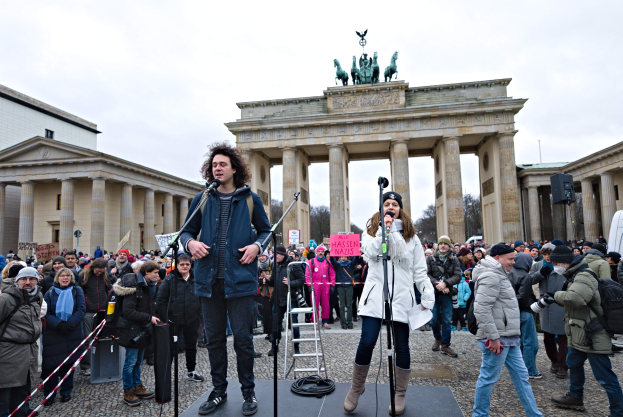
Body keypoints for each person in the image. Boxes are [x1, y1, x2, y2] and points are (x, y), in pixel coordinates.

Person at [180, 141, 271, 416]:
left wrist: (258, 246)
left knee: (243, 339)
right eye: (214, 165)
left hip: (240, 281)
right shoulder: (203, 198)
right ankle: (219, 391)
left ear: (234, 168)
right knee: (215, 340)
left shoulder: (249, 199)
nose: (217, 168)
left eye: (222, 164)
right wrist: (190, 245)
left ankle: (248, 391)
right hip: (208, 282)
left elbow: (265, 231)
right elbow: (184, 233)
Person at [344, 191, 434, 415]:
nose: (391, 207)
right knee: (367, 341)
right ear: (381, 208)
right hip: (375, 296)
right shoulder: (371, 232)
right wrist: (384, 231)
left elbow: (419, 271)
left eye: (395, 204)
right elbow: (371, 254)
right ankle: (357, 387)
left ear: (400, 209)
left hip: (402, 297)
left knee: (402, 346)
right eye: (387, 204)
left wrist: (427, 295)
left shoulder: (411, 237)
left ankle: (400, 393)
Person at [472, 243, 543, 417]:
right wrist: (493, 337)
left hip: (509, 337)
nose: (513, 262)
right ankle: (479, 415)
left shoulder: (499, 273)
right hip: (499, 338)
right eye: (510, 259)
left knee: (522, 378)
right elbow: (481, 309)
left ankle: (534, 414)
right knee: (488, 378)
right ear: (497, 258)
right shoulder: (492, 276)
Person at [551, 246, 623, 414]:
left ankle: (618, 411)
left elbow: (575, 298)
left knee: (605, 377)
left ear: (565, 262)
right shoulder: (575, 274)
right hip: (582, 332)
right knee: (573, 363)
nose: (555, 266)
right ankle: (575, 396)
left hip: (593, 333)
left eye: (556, 262)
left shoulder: (583, 275)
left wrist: (555, 295)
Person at [0, 267, 44, 417]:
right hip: (7, 354)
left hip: (29, 352)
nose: (27, 282)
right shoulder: (6, 299)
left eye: (32, 279)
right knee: (4, 396)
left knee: (22, 393)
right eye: (23, 279)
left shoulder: (37, 296)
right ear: (16, 280)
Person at [115, 261, 159, 407]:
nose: (158, 276)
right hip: (131, 331)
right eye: (155, 273)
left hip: (142, 330)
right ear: (146, 272)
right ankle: (128, 391)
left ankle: (137, 386)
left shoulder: (147, 286)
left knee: (138, 362)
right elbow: (128, 312)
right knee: (130, 362)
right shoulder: (134, 287)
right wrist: (148, 318)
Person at [156, 253, 204, 382]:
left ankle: (191, 371)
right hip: (173, 320)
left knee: (191, 346)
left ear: (190, 265)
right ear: (176, 265)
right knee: (170, 348)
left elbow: (202, 297)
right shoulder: (169, 280)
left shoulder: (196, 278)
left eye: (187, 264)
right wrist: (166, 319)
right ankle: (167, 375)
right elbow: (161, 301)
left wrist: (200, 315)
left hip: (192, 319)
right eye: (182, 264)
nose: (185, 266)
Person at [42, 267, 86, 405]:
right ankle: (49, 394)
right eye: (62, 276)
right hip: (54, 334)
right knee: (50, 365)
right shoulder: (50, 292)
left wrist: (70, 324)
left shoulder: (77, 290)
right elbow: (45, 312)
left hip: (72, 333)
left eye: (68, 276)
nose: (65, 278)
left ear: (72, 278)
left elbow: (81, 309)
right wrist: (59, 324)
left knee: (68, 364)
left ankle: (66, 391)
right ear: (57, 278)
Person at [427, 235, 462, 357]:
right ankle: (438, 338)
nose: (443, 245)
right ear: (438, 245)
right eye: (441, 243)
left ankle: (445, 345)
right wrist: (437, 284)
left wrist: (446, 284)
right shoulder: (430, 258)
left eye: (445, 244)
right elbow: (427, 274)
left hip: (447, 293)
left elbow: (458, 276)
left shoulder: (454, 259)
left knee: (447, 320)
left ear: (449, 246)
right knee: (434, 319)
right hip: (434, 292)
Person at [266, 245, 305, 356]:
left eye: (277, 254)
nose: (275, 256)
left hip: (291, 298)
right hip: (277, 299)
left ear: (282, 255)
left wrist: (290, 283)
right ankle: (274, 346)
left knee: (294, 324)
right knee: (275, 324)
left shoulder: (293, 264)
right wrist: (268, 280)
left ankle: (296, 346)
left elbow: (302, 280)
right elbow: (273, 281)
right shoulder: (275, 264)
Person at [76, 258, 112, 377]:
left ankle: (98, 363)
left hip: (102, 311)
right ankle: (86, 366)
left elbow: (109, 290)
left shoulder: (105, 276)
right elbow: (79, 292)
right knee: (87, 339)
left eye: (101, 271)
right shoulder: (83, 276)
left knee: (99, 338)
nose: (99, 273)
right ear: (93, 268)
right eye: (97, 271)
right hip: (88, 311)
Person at [508, 253, 541, 379]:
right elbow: (522, 298)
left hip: (513, 313)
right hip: (525, 311)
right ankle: (530, 370)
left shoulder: (510, 273)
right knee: (530, 343)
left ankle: (521, 368)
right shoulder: (525, 276)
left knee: (521, 342)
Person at [305, 245, 335, 329]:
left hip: (325, 287)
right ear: (316, 252)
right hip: (315, 287)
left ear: (324, 253)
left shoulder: (328, 262)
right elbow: (307, 274)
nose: (321, 253)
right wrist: (309, 285)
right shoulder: (311, 262)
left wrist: (332, 285)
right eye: (319, 251)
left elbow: (332, 274)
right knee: (315, 304)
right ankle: (315, 321)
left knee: (326, 304)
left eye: (322, 251)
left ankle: (324, 321)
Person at [333, 255, 356, 329]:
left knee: (349, 305)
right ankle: (343, 323)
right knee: (342, 305)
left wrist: (357, 252)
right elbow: (332, 260)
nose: (343, 258)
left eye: (345, 257)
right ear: (340, 257)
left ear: (347, 258)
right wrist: (331, 253)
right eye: (342, 257)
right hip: (341, 286)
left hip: (349, 286)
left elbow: (356, 259)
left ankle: (349, 322)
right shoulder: (338, 265)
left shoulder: (351, 264)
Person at [257, 251, 273, 339]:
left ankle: (273, 333)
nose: (262, 257)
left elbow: (275, 276)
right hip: (264, 293)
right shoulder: (259, 267)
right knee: (266, 314)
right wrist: (260, 280)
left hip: (272, 292)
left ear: (267, 257)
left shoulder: (272, 264)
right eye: (260, 256)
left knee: (273, 314)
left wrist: (267, 278)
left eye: (264, 256)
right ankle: (268, 332)